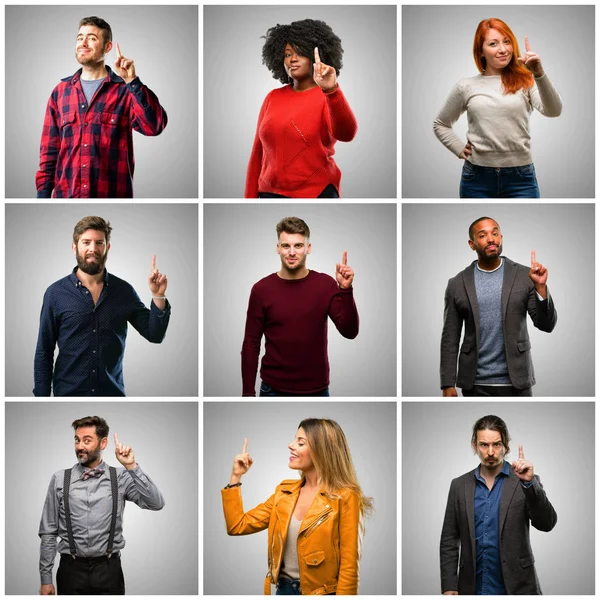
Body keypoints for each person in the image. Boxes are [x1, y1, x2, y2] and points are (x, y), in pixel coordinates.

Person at [222, 418, 372, 595]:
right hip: (284, 591)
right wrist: (235, 478)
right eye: (294, 439)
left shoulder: (346, 496)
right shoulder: (284, 493)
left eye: (300, 443)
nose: (290, 445)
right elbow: (237, 525)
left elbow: (349, 568)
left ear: (322, 451)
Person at [34, 216, 170, 396]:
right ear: (74, 247)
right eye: (86, 242)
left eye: (99, 242)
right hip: (68, 394)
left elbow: (155, 334)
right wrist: (42, 399)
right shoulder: (55, 293)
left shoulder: (123, 291)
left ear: (108, 247)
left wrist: (158, 294)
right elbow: (44, 350)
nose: (93, 249)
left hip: (112, 394)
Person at [36, 16, 167, 198]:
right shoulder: (60, 93)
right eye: (80, 37)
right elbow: (49, 153)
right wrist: (42, 197)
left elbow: (154, 126)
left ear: (107, 47)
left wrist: (132, 81)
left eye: (92, 38)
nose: (83, 43)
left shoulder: (125, 90)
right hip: (67, 196)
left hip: (113, 195)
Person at [433, 18, 562, 198]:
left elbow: (554, 111)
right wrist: (458, 148)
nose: (503, 49)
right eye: (493, 44)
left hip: (521, 178)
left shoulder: (526, 81)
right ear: (481, 52)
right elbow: (441, 123)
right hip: (476, 178)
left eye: (506, 41)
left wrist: (539, 73)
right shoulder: (466, 86)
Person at [39, 416, 165, 595]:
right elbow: (48, 531)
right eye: (77, 440)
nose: (80, 446)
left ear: (103, 443)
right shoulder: (60, 479)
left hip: (109, 570)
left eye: (87, 440)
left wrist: (132, 466)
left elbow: (156, 503)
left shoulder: (120, 477)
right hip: (70, 570)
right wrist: (46, 579)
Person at [241, 216, 359, 396]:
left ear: (308, 248)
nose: (291, 252)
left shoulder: (325, 285)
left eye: (298, 245)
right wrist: (247, 395)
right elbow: (251, 344)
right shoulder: (261, 290)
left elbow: (349, 331)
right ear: (278, 248)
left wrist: (345, 289)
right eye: (286, 246)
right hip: (272, 390)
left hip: (317, 391)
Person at [440, 415, 556, 594]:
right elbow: (449, 539)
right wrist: (449, 585)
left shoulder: (524, 481)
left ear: (506, 445)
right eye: (484, 445)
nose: (491, 452)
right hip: (472, 587)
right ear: (474, 445)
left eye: (497, 444)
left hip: (518, 587)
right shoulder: (459, 485)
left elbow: (547, 524)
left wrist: (529, 483)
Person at [440, 217, 556, 397]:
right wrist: (447, 383)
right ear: (472, 244)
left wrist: (540, 287)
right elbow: (450, 337)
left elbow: (546, 325)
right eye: (483, 235)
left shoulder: (525, 276)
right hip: (474, 382)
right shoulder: (457, 283)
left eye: (495, 233)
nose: (491, 239)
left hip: (517, 381)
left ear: (501, 237)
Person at [245, 19, 357, 198]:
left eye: (300, 53)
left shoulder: (327, 96)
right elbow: (258, 152)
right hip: (268, 193)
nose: (293, 59)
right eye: (287, 54)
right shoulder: (272, 97)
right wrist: (249, 200)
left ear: (316, 56)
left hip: (317, 193)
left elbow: (346, 134)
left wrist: (332, 90)